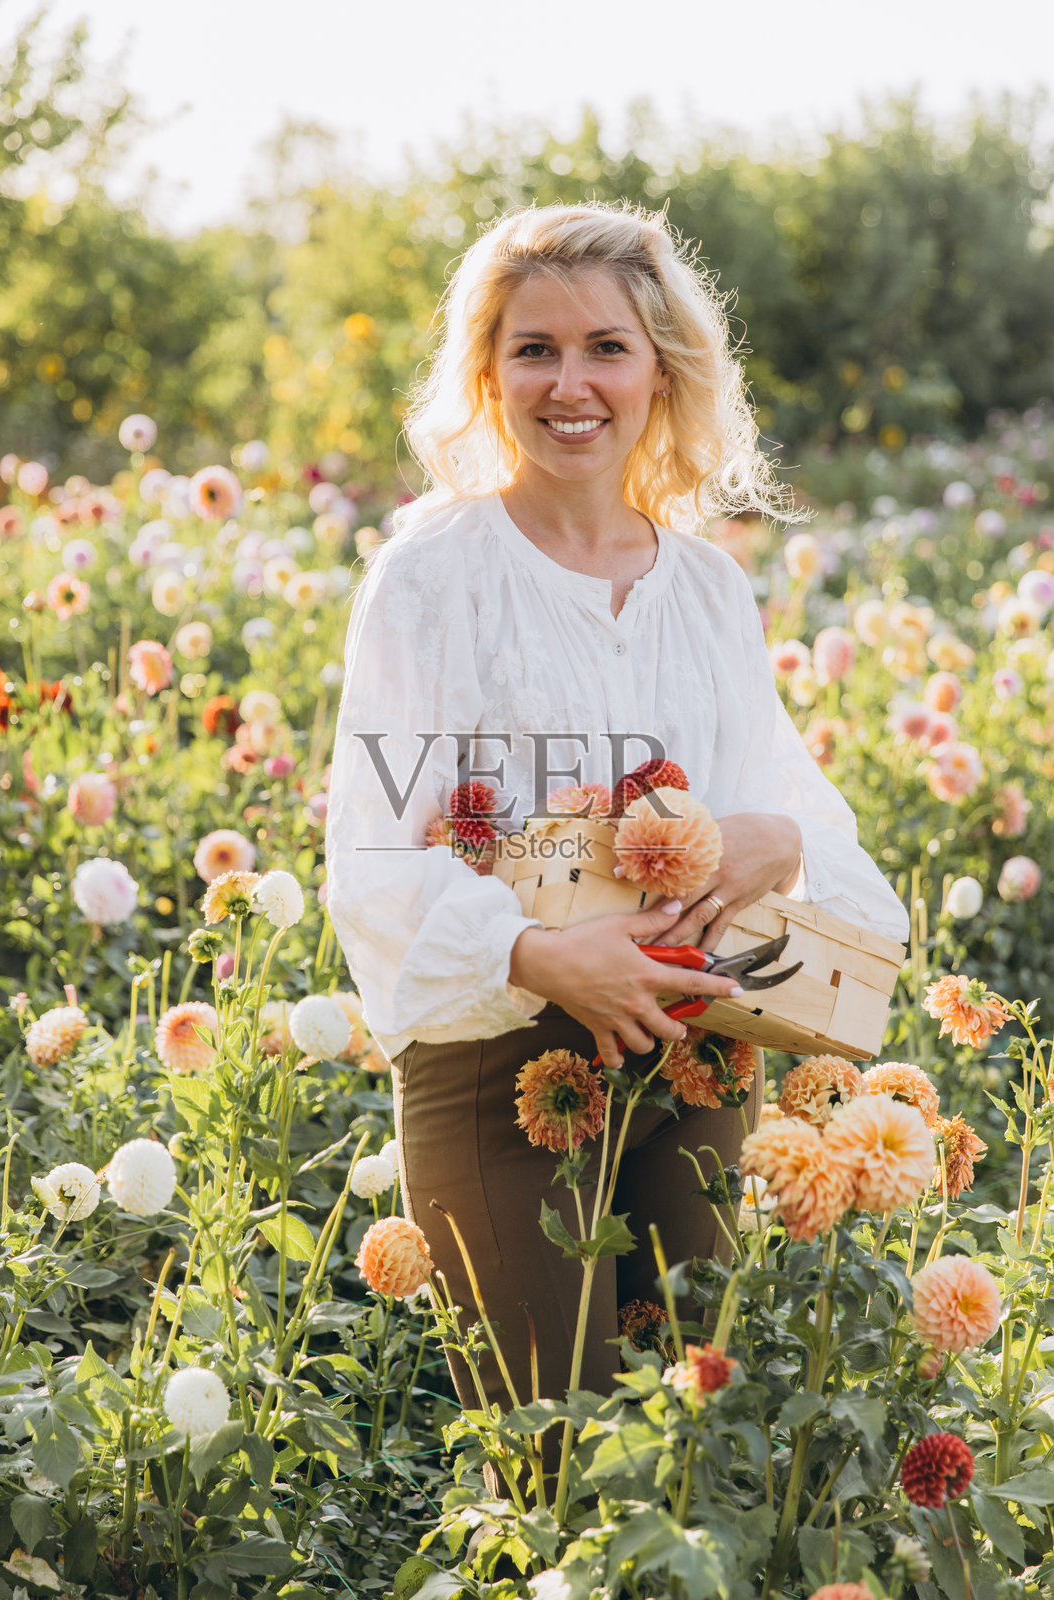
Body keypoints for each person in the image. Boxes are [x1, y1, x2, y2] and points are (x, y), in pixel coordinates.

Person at [324, 202, 908, 1429]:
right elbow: (369, 854)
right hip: (497, 1060)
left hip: (694, 1051)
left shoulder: (704, 588)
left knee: (690, 1448)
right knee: (552, 1440)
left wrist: (777, 839)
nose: (569, 382)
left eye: (605, 347)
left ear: (660, 371)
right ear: (487, 374)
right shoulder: (431, 578)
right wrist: (537, 952)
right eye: (532, 348)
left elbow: (789, 805)